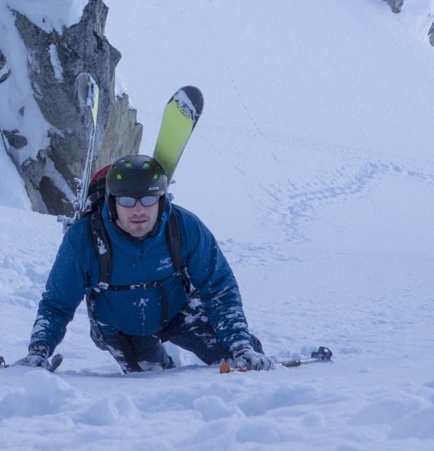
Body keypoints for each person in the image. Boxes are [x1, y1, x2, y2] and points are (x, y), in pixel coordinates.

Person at [15, 153, 273, 373]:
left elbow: (219, 290)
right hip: (121, 328)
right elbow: (57, 304)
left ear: (162, 199)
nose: (138, 210)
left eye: (148, 199)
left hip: (180, 310)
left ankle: (257, 358)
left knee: (241, 363)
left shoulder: (184, 227)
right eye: (127, 201)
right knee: (155, 382)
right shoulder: (83, 240)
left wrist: (240, 345)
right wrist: (39, 351)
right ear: (112, 202)